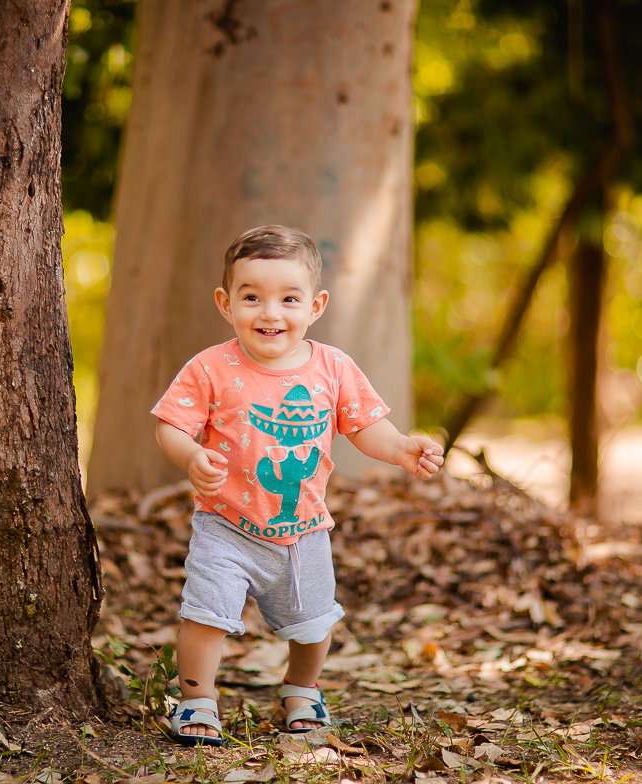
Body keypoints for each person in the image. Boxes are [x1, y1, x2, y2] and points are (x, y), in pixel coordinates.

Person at [152, 225, 444, 746]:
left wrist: (399, 446)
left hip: (304, 531)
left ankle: (301, 689)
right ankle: (197, 700)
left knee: (313, 624)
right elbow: (170, 424)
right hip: (227, 524)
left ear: (316, 305)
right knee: (207, 613)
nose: (270, 313)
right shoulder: (211, 367)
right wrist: (192, 454)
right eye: (252, 297)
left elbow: (362, 424)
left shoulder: (333, 367)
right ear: (225, 302)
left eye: (289, 298)